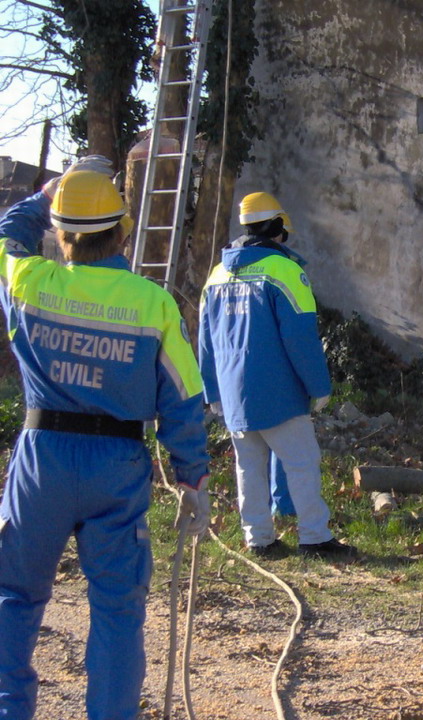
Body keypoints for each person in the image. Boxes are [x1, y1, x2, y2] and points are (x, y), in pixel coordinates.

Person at [0, 158, 210, 720]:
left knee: (14, 596)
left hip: (42, 458)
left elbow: (7, 235)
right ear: (121, 233)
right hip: (117, 465)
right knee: (117, 609)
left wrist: (48, 193)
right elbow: (182, 398)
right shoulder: (152, 303)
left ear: (61, 237)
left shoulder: (29, 283)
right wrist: (192, 476)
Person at [199, 191, 354, 560]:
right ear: (277, 227)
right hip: (278, 392)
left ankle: (259, 540)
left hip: (234, 394)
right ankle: (314, 536)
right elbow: (300, 337)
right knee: (302, 463)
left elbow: (205, 339)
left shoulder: (217, 274)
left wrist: (212, 391)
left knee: (248, 467)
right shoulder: (284, 270)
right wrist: (318, 386)